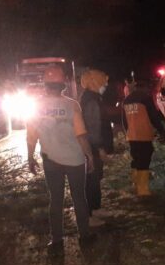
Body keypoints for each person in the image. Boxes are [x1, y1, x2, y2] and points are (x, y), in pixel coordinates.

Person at [26, 65, 95, 249]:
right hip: (75, 160)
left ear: (45, 84)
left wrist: (30, 157)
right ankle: (85, 236)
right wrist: (90, 156)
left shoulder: (35, 106)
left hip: (51, 161)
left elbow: (31, 136)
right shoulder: (72, 104)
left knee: (55, 200)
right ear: (63, 84)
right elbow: (81, 135)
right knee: (79, 198)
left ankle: (56, 240)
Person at [122, 80, 165, 197]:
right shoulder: (145, 98)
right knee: (144, 160)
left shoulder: (126, 100)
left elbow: (124, 121)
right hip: (144, 135)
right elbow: (153, 116)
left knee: (136, 159)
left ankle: (135, 185)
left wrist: (128, 132)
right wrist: (162, 131)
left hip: (132, 136)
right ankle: (143, 190)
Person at [80, 69, 113, 224]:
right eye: (103, 81)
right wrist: (100, 148)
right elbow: (93, 127)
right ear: (94, 82)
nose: (105, 84)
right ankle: (89, 215)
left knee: (95, 178)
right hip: (92, 147)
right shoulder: (91, 100)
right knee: (91, 180)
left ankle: (96, 208)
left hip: (93, 145)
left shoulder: (93, 98)